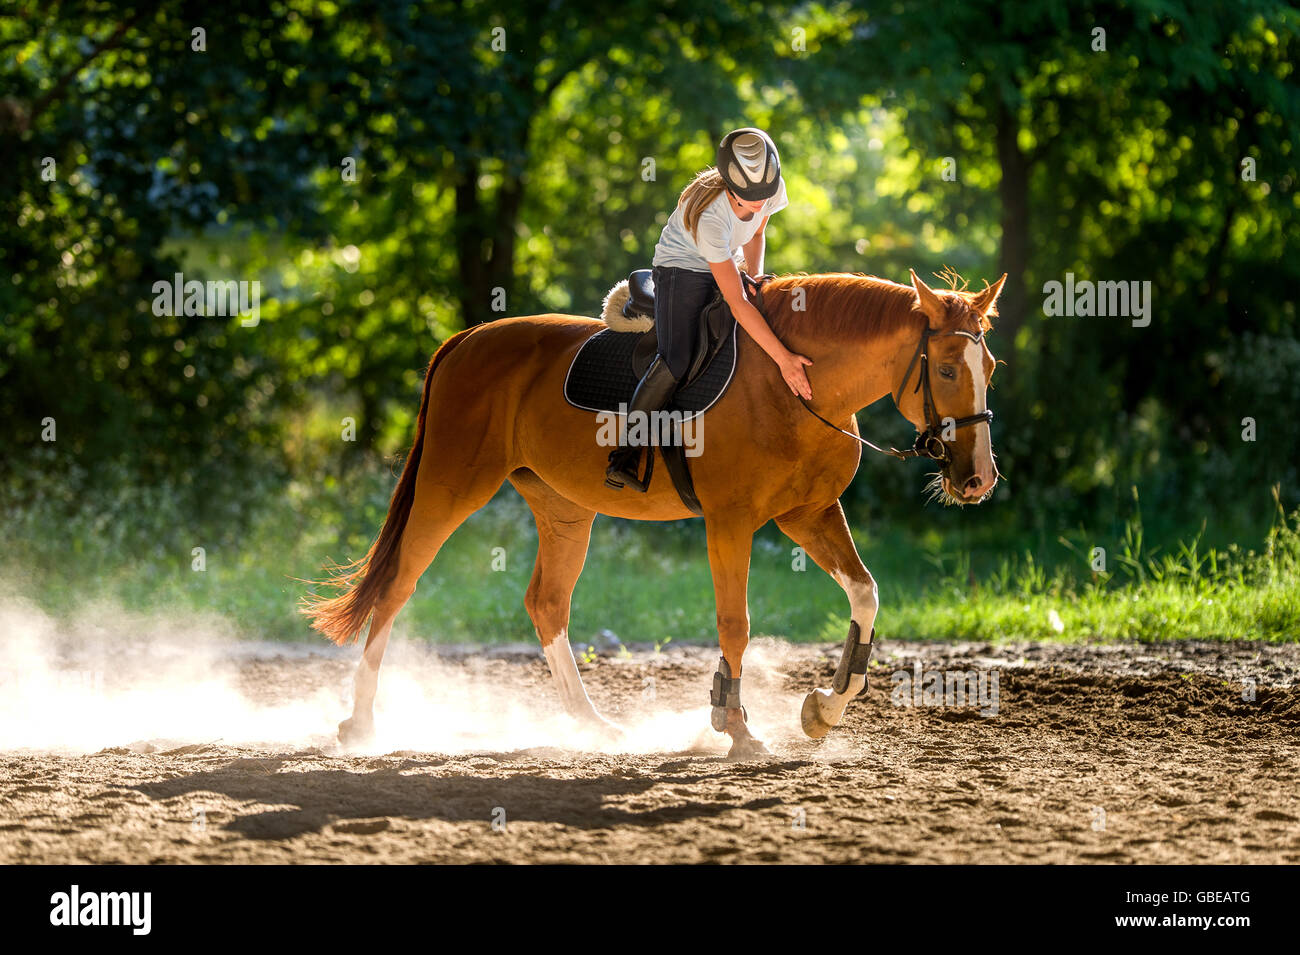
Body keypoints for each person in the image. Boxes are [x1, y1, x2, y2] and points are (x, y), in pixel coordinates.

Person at [604, 127, 814, 492]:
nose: (761, 205)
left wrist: (756, 274)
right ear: (732, 190)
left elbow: (757, 234)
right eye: (752, 201)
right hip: (681, 268)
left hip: (725, 258)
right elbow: (736, 302)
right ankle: (623, 454)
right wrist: (783, 358)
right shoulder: (710, 217)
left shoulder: (767, 188)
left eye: (766, 198)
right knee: (678, 359)